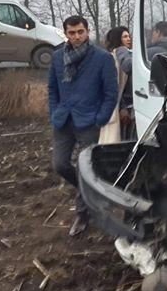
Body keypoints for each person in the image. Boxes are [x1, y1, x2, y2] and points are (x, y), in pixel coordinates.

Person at [48, 16, 118, 237]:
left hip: (89, 121)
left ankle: (82, 214)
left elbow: (111, 93)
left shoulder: (102, 58)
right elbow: (52, 89)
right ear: (66, 33)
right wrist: (54, 112)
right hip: (63, 120)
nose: (76, 36)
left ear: (87, 31)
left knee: (84, 166)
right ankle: (86, 189)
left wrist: (101, 118)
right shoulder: (58, 57)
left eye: (80, 32)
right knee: (60, 164)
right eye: (71, 32)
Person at [100, 27, 134, 143]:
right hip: (121, 105)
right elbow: (115, 86)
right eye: (125, 37)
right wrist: (122, 107)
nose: (128, 39)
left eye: (129, 36)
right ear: (117, 39)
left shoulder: (114, 55)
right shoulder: (120, 53)